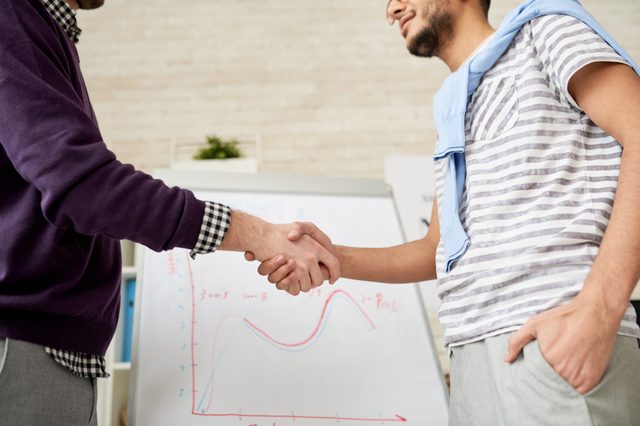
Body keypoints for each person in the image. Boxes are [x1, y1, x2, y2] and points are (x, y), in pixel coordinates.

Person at [254, 0, 640, 424]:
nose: (392, 9)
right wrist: (330, 257)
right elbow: (437, 248)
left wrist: (599, 313)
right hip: (472, 359)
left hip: (553, 343)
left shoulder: (545, 32)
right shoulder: (455, 110)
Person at [0, 0, 338, 424]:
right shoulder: (11, 17)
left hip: (44, 346)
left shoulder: (41, 29)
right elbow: (84, 186)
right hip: (22, 343)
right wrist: (260, 235)